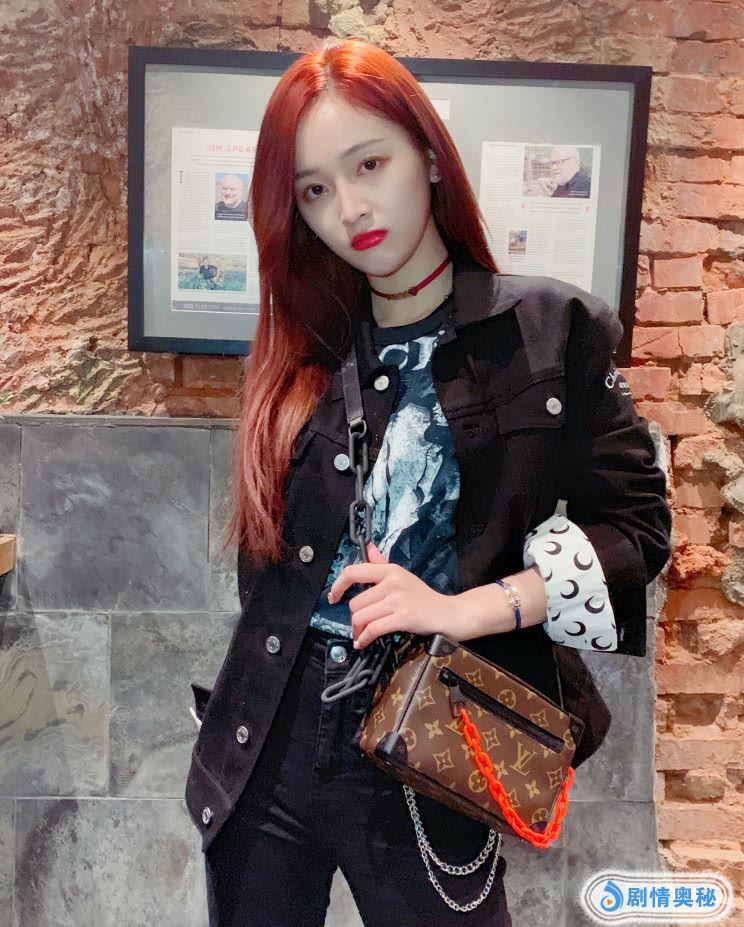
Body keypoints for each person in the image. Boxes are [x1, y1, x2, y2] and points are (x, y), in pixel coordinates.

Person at [185, 38, 671, 927]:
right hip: (270, 741)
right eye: (314, 190)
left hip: (432, 728)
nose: (350, 208)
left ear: (430, 157)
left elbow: (637, 533)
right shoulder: (304, 348)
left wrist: (463, 608)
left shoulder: (551, 329)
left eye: (369, 164)